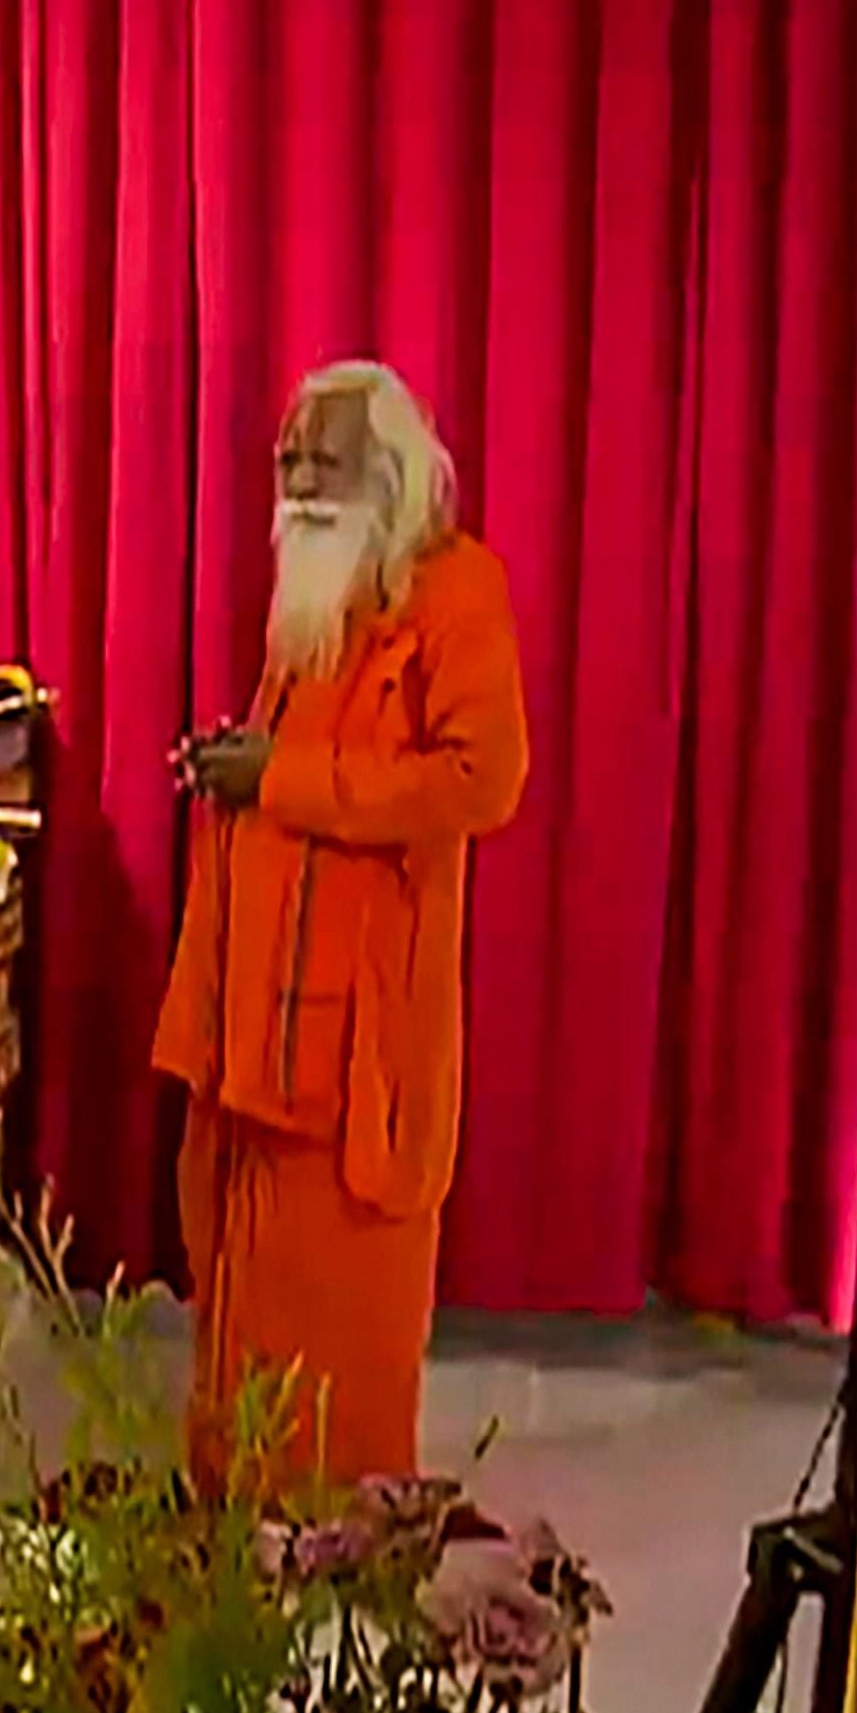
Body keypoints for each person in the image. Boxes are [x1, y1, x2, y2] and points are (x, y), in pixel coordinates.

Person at [155, 361, 527, 1491]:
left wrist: (279, 777)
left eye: (324, 460)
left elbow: (479, 782)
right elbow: (303, 764)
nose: (300, 483)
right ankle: (233, 1519)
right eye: (286, 461)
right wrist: (235, 767)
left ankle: (329, 1535)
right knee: (239, 1295)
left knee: (340, 1321)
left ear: (390, 470)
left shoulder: (454, 589)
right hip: (252, 1036)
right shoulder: (313, 596)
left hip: (354, 1041)